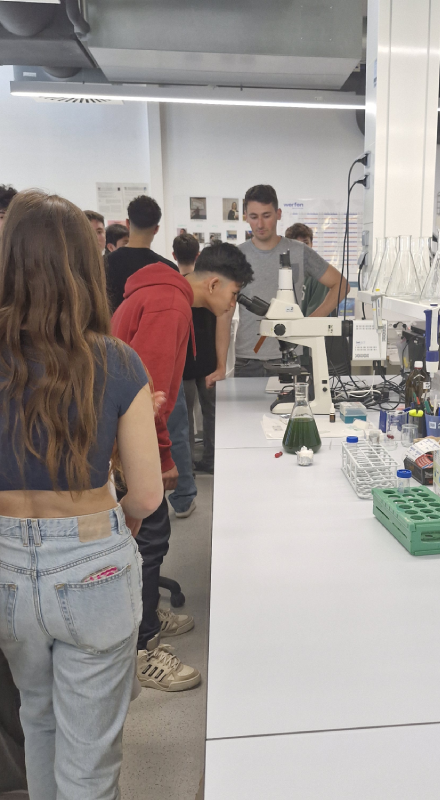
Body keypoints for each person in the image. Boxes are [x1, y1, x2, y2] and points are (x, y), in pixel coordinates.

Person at [0, 190, 164, 799]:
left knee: (37, 720)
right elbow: (147, 494)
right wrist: (119, 517)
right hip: (92, 561)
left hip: (5, 569)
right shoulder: (116, 362)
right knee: (89, 763)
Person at [112, 241, 253, 690]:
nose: (233, 304)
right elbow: (146, 395)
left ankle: (148, 617)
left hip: (123, 433)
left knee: (149, 537)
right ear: (212, 284)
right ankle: (142, 650)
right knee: (149, 538)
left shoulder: (166, 296)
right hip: (126, 439)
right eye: (233, 294)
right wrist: (163, 456)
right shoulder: (169, 306)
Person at [106, 195, 198, 517]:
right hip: (148, 373)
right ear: (157, 228)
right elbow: (151, 387)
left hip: (115, 364)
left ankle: (138, 495)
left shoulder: (108, 264)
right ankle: (180, 497)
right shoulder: (167, 273)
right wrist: (163, 460)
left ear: (127, 223)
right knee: (172, 426)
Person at [236, 184, 349, 376]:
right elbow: (224, 315)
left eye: (266, 215)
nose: (260, 224)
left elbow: (341, 285)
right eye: (254, 217)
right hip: (247, 359)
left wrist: (310, 322)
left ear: (278, 214)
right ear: (245, 216)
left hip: (289, 357)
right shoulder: (237, 255)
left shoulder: (299, 251)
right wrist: (220, 364)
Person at [173, 234, 234, 475]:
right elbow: (221, 323)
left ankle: (186, 465)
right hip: (209, 360)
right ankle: (212, 459)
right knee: (212, 414)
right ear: (198, 256)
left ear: (174, 255)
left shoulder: (178, 289)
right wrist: (221, 363)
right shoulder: (211, 289)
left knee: (184, 417)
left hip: (185, 363)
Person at [285, 222, 330, 318]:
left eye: (306, 243)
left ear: (311, 245)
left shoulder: (320, 276)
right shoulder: (284, 274)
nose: (302, 249)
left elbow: (314, 320)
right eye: (296, 244)